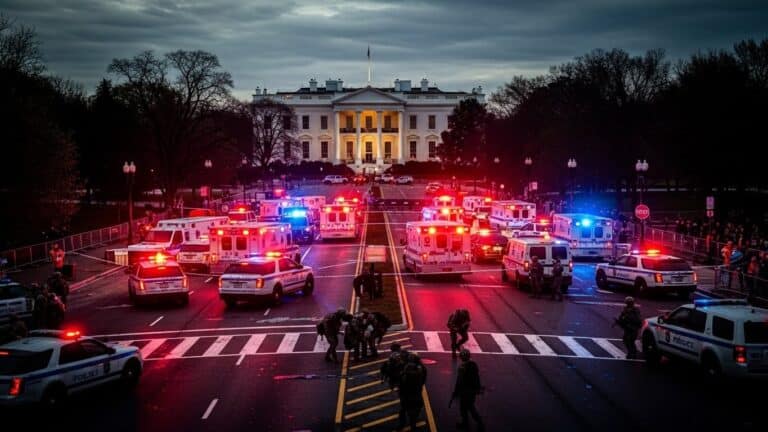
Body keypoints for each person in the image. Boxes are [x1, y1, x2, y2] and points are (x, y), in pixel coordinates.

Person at [452, 349, 485, 430]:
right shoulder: (474, 364)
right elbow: (476, 378)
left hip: (465, 391)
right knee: (469, 406)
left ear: (462, 358)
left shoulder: (462, 367)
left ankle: (469, 423)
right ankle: (474, 422)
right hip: (473, 390)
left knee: (465, 408)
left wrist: (456, 392)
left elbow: (459, 381)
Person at [398, 353, 427, 431]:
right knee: (415, 409)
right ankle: (413, 425)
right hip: (416, 392)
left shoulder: (405, 368)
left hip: (406, 393)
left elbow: (400, 380)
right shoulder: (421, 369)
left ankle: (401, 424)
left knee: (403, 409)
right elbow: (423, 379)